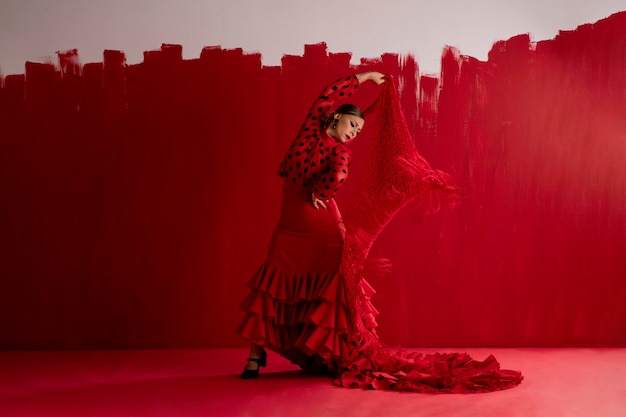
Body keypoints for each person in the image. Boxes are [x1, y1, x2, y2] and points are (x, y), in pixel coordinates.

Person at [236, 71, 386, 379]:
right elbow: (327, 92)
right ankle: (255, 353)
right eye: (352, 124)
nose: (353, 133)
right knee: (273, 286)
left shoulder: (340, 153)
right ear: (336, 117)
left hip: (324, 230)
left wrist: (321, 192)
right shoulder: (311, 126)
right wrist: (367, 76)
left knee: (334, 288)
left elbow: (340, 176)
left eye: (359, 131)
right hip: (290, 226)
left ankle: (332, 355)